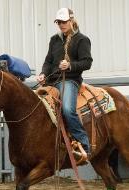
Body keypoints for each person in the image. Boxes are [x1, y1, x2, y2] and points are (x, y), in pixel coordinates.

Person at [36, 8, 93, 157]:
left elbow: (87, 62)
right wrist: (43, 74)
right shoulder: (54, 40)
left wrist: (70, 65)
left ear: (72, 21)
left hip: (70, 80)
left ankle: (84, 142)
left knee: (68, 110)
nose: (61, 25)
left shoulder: (82, 39)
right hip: (51, 82)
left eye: (64, 21)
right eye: (59, 22)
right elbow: (48, 61)